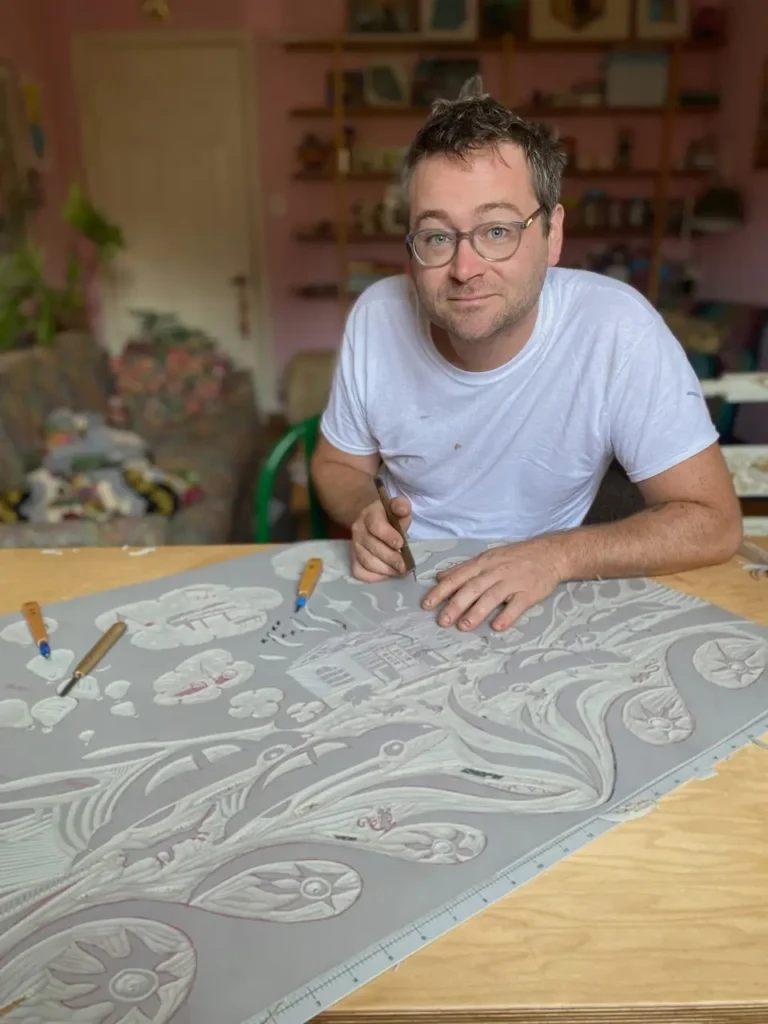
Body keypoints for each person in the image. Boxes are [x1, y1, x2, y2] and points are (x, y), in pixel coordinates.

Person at [311, 77, 742, 633]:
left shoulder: (616, 326)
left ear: (553, 235)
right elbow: (337, 464)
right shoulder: (377, 314)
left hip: (545, 592)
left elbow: (713, 523)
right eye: (437, 237)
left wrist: (554, 557)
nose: (465, 269)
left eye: (497, 230)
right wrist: (362, 512)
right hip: (404, 586)